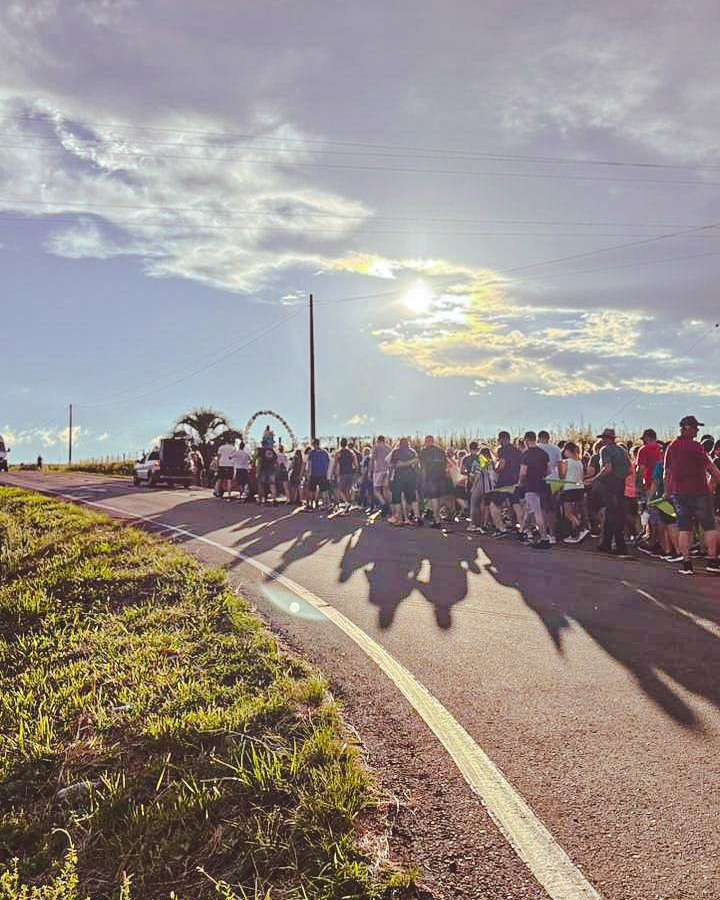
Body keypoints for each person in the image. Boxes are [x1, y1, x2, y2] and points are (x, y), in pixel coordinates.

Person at [664, 415, 720, 575]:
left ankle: (687, 564)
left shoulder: (672, 446)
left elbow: (666, 472)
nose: (697, 430)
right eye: (695, 428)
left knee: (684, 528)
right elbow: (710, 467)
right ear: (687, 428)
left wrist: (667, 491)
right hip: (699, 491)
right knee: (709, 526)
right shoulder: (696, 447)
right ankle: (712, 561)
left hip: (679, 492)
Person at [592, 428, 631, 556]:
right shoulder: (623, 451)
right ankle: (607, 543)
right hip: (621, 484)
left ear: (605, 439)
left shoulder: (605, 450)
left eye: (603, 438)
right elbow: (630, 469)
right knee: (615, 513)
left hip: (609, 484)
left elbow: (607, 468)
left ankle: (618, 545)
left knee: (611, 513)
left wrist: (595, 479)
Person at [519, 431, 550, 549]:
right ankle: (522, 531)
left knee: (537, 512)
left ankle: (544, 539)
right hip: (542, 484)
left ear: (526, 440)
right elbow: (548, 471)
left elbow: (523, 473)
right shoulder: (543, 453)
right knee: (529, 509)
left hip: (530, 485)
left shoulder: (526, 454)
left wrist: (520, 483)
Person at [490, 431, 522, 538]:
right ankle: (523, 529)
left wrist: (496, 469)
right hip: (515, 481)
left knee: (494, 505)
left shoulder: (504, 449)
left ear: (502, 439)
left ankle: (501, 529)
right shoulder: (517, 451)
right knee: (516, 505)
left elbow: (502, 465)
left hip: (504, 481)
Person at [558, 442, 589, 543]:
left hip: (568, 489)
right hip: (579, 488)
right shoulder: (579, 462)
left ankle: (580, 528)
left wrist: (559, 489)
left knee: (568, 514)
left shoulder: (565, 462)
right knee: (575, 512)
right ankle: (575, 534)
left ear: (567, 451)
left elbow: (561, 478)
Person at [387, 437, 420, 526]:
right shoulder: (412, 452)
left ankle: (400, 519)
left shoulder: (396, 452)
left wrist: (402, 464)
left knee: (397, 498)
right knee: (412, 497)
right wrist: (410, 463)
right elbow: (417, 464)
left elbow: (393, 465)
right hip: (411, 476)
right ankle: (417, 517)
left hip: (399, 477)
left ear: (400, 443)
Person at [419, 435, 450, 527]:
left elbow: (423, 467)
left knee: (434, 498)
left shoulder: (424, 451)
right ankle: (439, 517)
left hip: (431, 478)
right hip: (441, 477)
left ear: (427, 441)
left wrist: (423, 480)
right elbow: (445, 465)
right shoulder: (441, 451)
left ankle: (437, 520)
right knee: (440, 497)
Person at [307, 438, 331, 510]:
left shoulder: (311, 453)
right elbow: (328, 463)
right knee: (324, 490)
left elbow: (310, 464)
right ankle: (325, 504)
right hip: (323, 474)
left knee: (312, 490)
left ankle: (311, 504)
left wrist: (309, 473)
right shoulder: (325, 452)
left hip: (314, 474)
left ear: (314, 444)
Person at [335, 438, 357, 513]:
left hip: (343, 473)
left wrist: (334, 473)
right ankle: (348, 506)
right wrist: (355, 472)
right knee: (348, 490)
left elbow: (336, 464)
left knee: (340, 489)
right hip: (350, 473)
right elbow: (356, 464)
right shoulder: (351, 452)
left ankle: (346, 503)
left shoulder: (338, 453)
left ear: (340, 444)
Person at [370, 436, 391, 514]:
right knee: (386, 489)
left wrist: (370, 471)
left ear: (378, 440)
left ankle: (383, 503)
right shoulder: (389, 448)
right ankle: (389, 506)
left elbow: (372, 459)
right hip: (387, 470)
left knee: (376, 490)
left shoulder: (376, 447)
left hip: (378, 470)